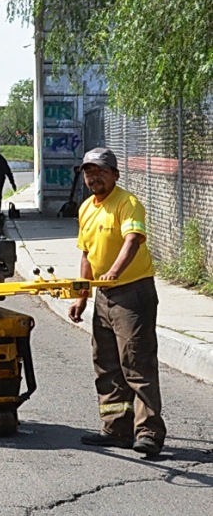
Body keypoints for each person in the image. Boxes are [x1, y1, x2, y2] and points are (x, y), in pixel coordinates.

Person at [68, 147, 165, 458]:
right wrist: (82, 296)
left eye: (100, 171)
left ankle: (148, 432)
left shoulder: (127, 203)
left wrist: (114, 271)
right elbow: (87, 254)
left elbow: (132, 240)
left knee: (137, 363)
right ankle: (116, 428)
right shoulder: (86, 208)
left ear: (115, 174)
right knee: (107, 364)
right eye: (88, 171)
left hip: (132, 293)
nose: (93, 177)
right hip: (103, 295)